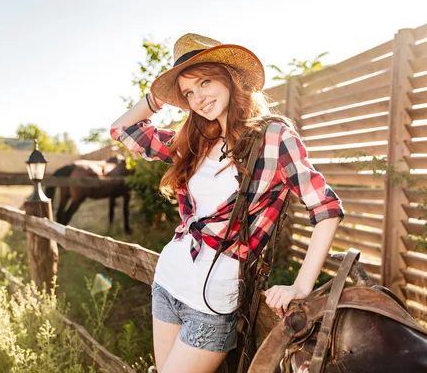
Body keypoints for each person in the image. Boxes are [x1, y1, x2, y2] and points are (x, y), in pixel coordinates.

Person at [110, 33, 343, 373]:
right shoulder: (194, 140)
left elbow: (326, 208)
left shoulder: (274, 137)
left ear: (229, 78)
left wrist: (301, 285)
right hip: (168, 281)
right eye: (188, 92)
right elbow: (121, 129)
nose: (198, 98)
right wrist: (157, 98)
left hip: (211, 300)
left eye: (205, 82)